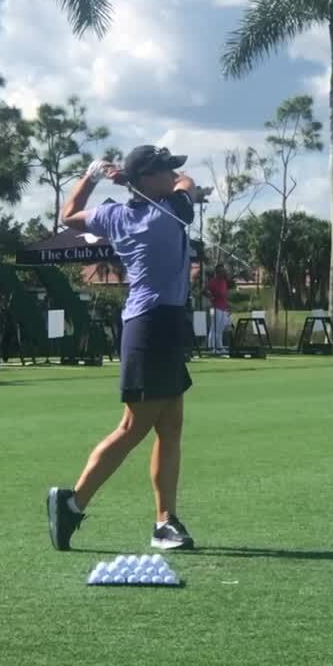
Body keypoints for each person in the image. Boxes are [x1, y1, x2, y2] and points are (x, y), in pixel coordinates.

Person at [46, 145, 198, 552]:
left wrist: (93, 175)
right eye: (165, 170)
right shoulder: (167, 213)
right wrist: (132, 179)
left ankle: (165, 521)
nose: (173, 175)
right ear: (148, 180)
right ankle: (72, 502)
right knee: (134, 427)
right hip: (150, 327)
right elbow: (189, 186)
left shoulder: (116, 215)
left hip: (159, 324)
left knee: (170, 425)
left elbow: (69, 214)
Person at [204, 263, 235, 353]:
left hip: (223, 307)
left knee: (220, 329)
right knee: (214, 328)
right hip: (216, 307)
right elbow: (204, 290)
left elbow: (225, 294)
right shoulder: (213, 281)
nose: (223, 272)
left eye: (224, 271)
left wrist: (228, 306)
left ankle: (219, 347)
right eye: (221, 271)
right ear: (217, 272)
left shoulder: (224, 281)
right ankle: (211, 348)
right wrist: (210, 296)